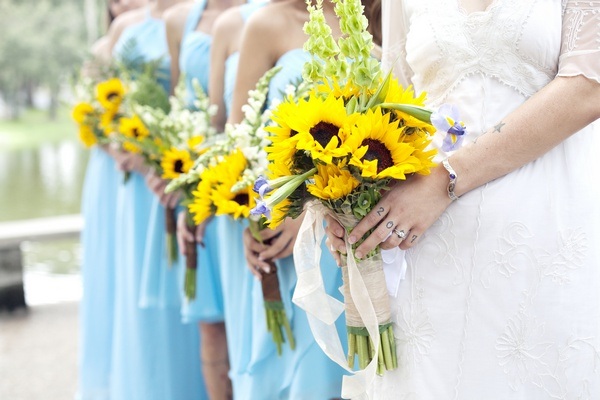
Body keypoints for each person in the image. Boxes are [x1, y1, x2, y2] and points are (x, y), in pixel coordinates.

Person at [324, 1, 600, 398]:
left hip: (548, 241)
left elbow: (587, 86)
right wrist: (357, 205)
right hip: (427, 248)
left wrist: (444, 182)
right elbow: (393, 103)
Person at [230, 1, 349, 398]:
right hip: (287, 235)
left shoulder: (374, 19)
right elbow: (239, 144)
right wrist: (261, 217)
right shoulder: (267, 24)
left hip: (354, 232)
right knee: (298, 376)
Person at [105, 1, 207, 399]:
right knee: (147, 302)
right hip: (145, 183)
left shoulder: (198, 16)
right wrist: (130, 151)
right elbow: (110, 110)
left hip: (182, 171)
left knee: (192, 295)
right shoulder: (128, 28)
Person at [76, 1, 147, 399]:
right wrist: (117, 141)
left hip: (147, 163)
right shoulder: (103, 48)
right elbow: (91, 119)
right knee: (111, 262)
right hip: (112, 171)